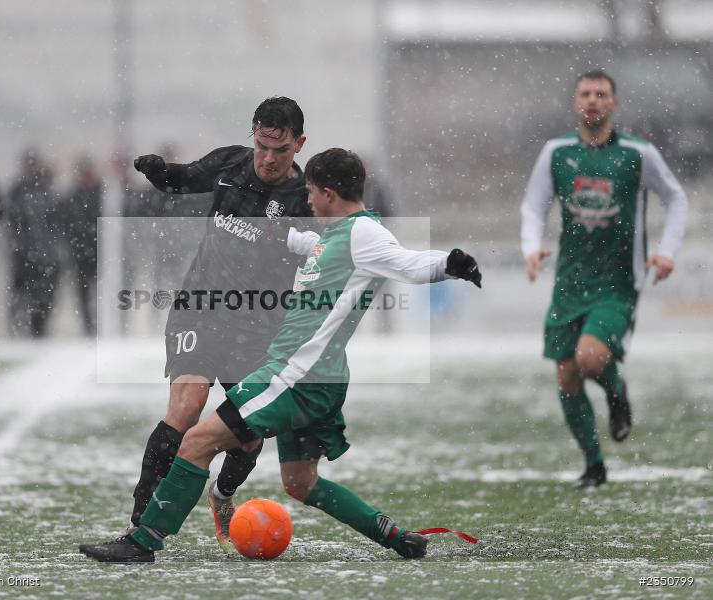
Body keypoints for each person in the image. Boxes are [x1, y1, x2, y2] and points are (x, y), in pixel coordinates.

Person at [79, 147, 482, 563]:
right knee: (300, 482)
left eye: (309, 192)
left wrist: (451, 263)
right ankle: (396, 537)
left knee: (196, 442)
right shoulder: (335, 236)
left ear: (327, 193)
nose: (305, 201)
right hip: (320, 379)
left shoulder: (363, 233)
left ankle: (142, 541)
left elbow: (408, 262)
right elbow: (299, 239)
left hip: (294, 377)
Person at [93, 97, 314, 548]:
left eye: (281, 150)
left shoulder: (306, 198)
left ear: (299, 145)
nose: (268, 159)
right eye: (261, 147)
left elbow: (328, 252)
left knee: (248, 435)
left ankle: (222, 492)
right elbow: (183, 179)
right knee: (187, 406)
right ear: (253, 136)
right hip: (200, 306)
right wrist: (158, 170)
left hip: (258, 324)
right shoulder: (229, 164)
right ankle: (139, 525)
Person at [520, 70, 688, 488]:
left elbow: (676, 197)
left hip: (617, 282)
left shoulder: (638, 153)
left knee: (590, 358)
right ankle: (594, 465)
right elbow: (533, 205)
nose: (593, 100)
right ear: (575, 102)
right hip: (570, 281)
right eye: (585, 93)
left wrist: (666, 251)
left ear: (614, 104)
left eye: (601, 94)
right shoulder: (556, 151)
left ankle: (616, 392)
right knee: (567, 376)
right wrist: (530, 246)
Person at [6, 148, 61, 337]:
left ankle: (39, 329)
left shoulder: (45, 191)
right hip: (22, 253)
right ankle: (17, 329)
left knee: (43, 296)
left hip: (44, 254)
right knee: (20, 293)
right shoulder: (17, 191)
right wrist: (19, 244)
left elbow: (54, 223)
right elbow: (12, 220)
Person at [58, 155, 103, 336]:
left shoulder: (103, 195)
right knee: (83, 292)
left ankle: (103, 324)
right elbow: (61, 221)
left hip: (102, 254)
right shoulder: (73, 197)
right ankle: (88, 326)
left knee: (103, 291)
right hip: (80, 253)